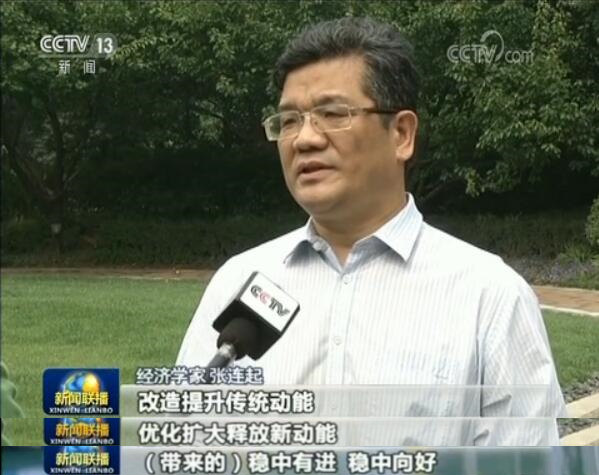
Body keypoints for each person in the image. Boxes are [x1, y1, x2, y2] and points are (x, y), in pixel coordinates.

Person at [177, 17, 566, 445]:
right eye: (288, 121)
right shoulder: (237, 280)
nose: (304, 139)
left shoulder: (489, 297)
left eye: (332, 114)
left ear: (401, 134)